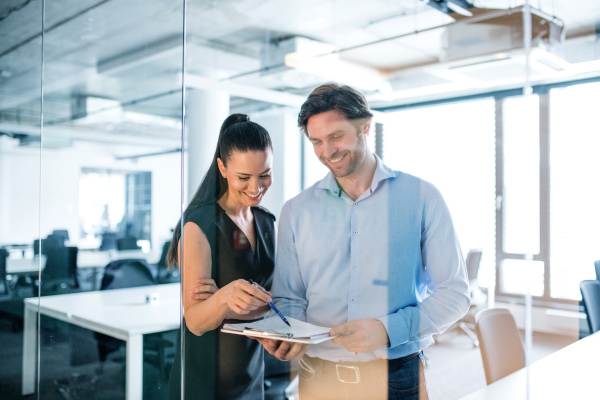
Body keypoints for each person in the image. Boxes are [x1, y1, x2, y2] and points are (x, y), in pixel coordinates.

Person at [258, 83, 470, 400]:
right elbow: (290, 297)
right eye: (316, 141)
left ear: (365, 126)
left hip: (396, 376)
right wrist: (288, 333)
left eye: (335, 137)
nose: (326, 152)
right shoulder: (295, 210)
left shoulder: (422, 197)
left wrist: (387, 330)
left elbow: (455, 295)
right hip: (318, 376)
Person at [167, 113, 277, 400]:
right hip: (205, 383)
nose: (256, 188)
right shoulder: (200, 224)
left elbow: (275, 300)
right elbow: (196, 321)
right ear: (222, 168)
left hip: (252, 375)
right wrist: (226, 298)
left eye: (265, 174)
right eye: (244, 177)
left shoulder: (266, 222)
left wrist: (223, 305)